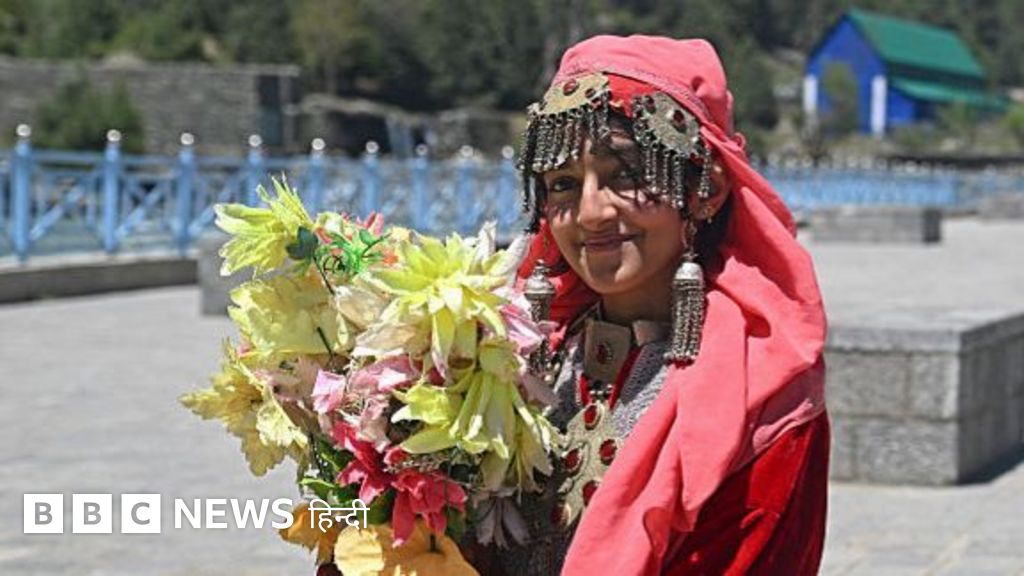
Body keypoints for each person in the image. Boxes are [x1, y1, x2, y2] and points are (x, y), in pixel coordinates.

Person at [485, 35, 830, 575]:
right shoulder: (518, 356)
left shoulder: (761, 397)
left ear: (706, 191)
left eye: (624, 174)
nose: (591, 212)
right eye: (563, 183)